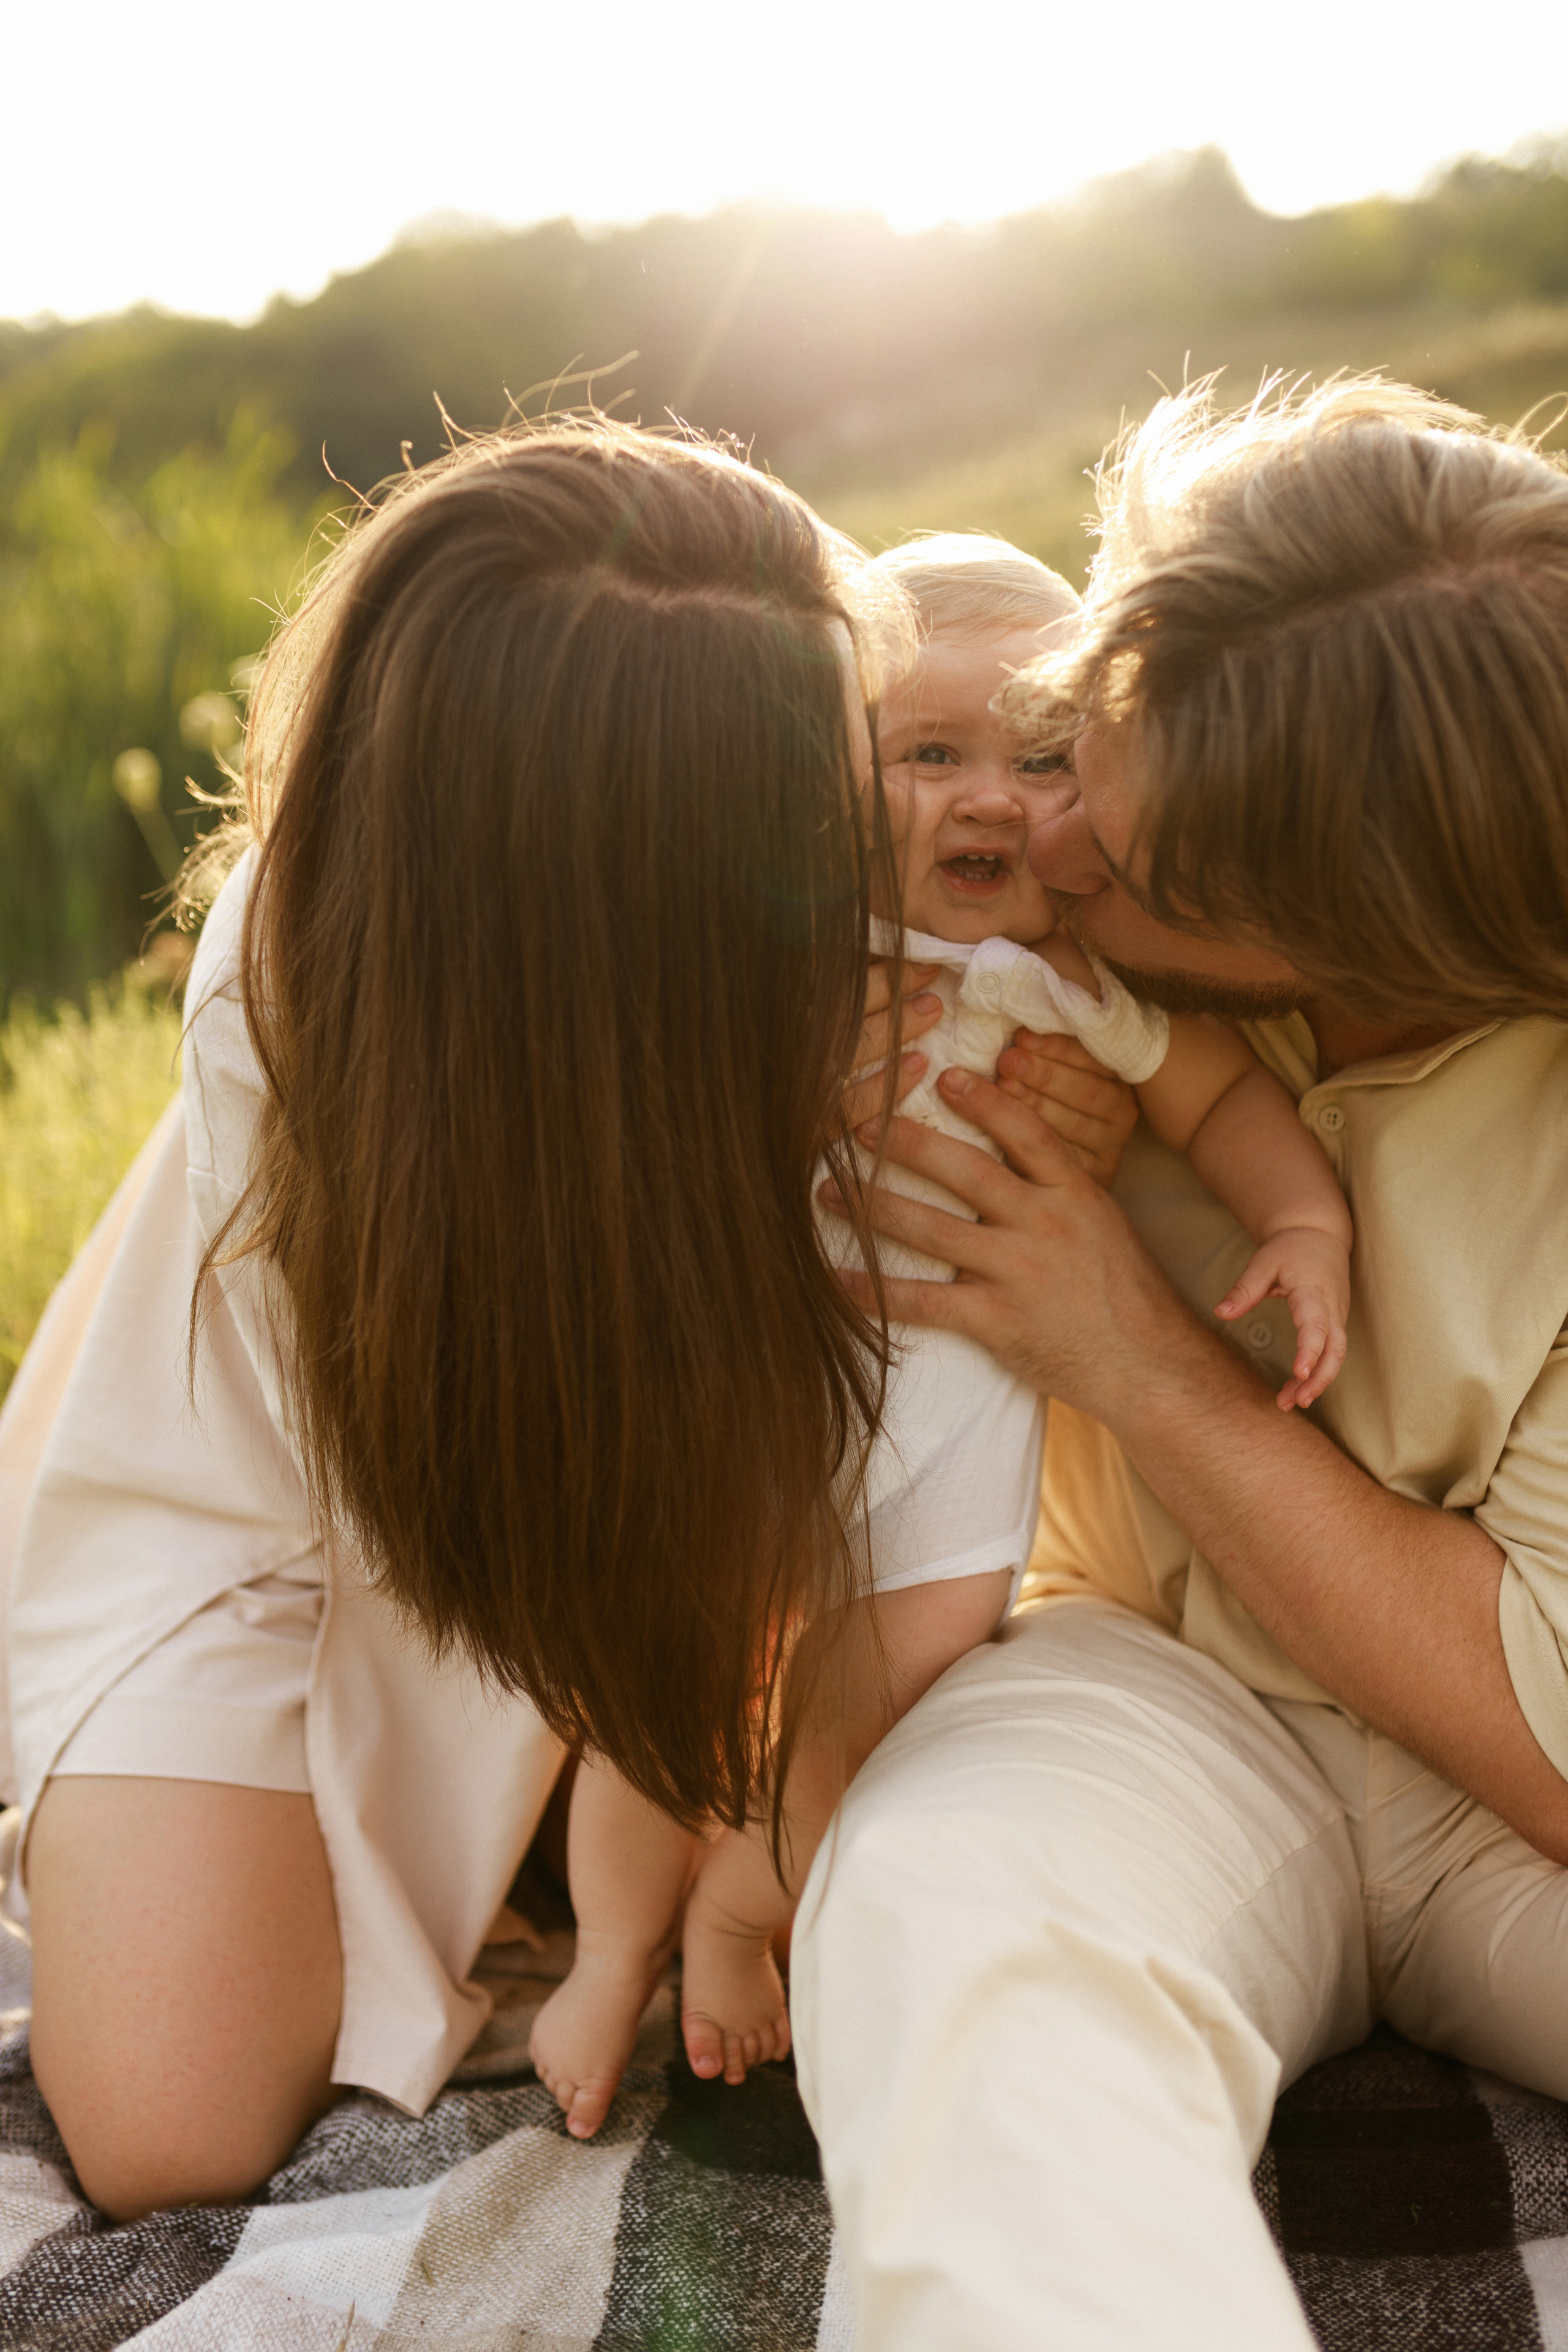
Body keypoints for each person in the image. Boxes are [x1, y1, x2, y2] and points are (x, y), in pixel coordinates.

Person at [0, 418, 1000, 2221]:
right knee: (173, 2124)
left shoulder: (866, 958)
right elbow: (401, 1455)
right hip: (284, 1517)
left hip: (654, 1522)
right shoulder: (306, 956)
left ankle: (568, 1831)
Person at [791, 374, 1568, 2351]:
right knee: (946, 1922)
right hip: (1170, 1688)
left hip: (1517, 1794)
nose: (1039, 839)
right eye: (1064, 748)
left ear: (1347, 920)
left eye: (1122, 855)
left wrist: (1130, 1352)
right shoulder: (1031, 953)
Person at [532, 533, 1353, 2139]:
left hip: (961, 1432)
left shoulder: (1072, 978)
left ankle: (744, 1909)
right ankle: (608, 1948)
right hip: (773, 1394)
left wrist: (1304, 1223)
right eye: (931, 754)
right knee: (677, 1681)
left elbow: (1224, 1093)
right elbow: (643, 1117)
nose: (989, 795)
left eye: (1036, 756)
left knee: (895, 1692)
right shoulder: (786, 962)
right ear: (827, 784)